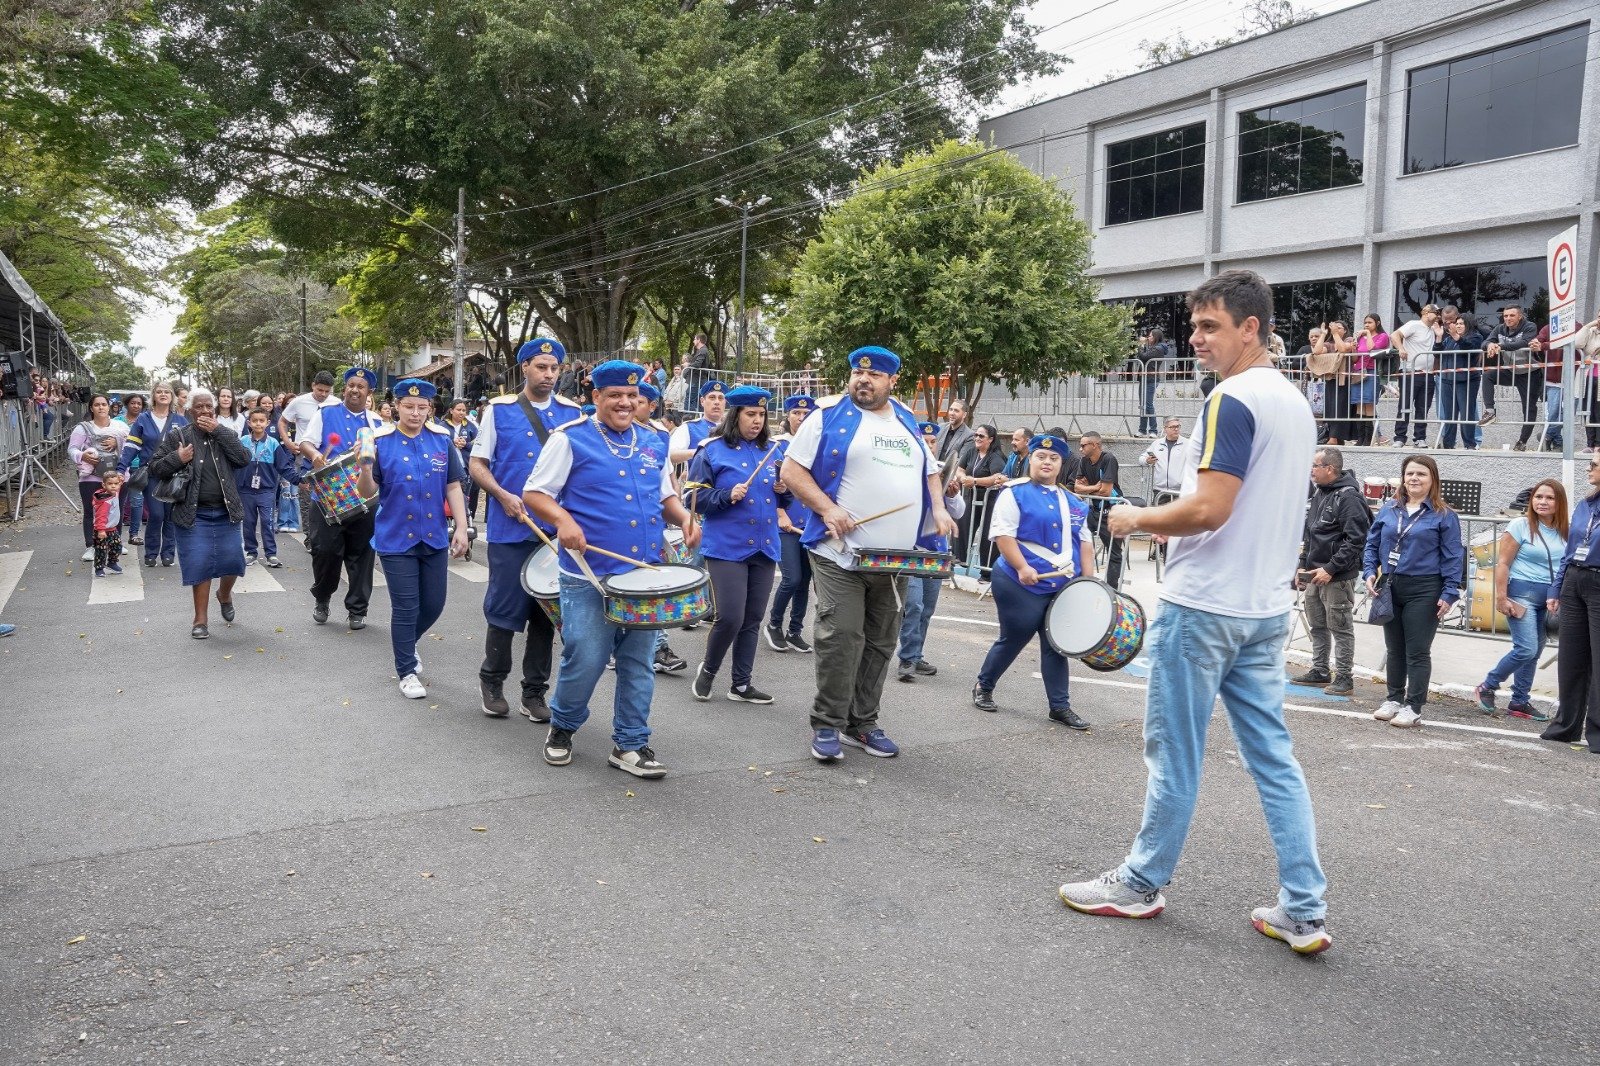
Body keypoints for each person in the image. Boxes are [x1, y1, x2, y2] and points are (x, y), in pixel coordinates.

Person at [1062, 269, 1332, 956]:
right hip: (1264, 609)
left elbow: (1210, 507)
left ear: (1252, 328)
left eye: (1211, 326)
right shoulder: (1297, 404)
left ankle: (1140, 884)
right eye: (1195, 326)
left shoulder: (1232, 399)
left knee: (1173, 756)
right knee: (1274, 760)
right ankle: (1303, 909)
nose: (1197, 338)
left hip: (1206, 606)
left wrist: (1133, 518)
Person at [522, 359, 701, 778]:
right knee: (585, 656)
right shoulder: (570, 439)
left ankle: (630, 743)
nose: (625, 403)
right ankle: (563, 727)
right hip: (588, 574)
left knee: (638, 660)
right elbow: (535, 493)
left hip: (644, 574)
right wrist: (564, 521)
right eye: (615, 395)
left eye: (632, 396)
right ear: (595, 397)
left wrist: (685, 519)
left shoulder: (654, 442)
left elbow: (664, 499)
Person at [780, 345, 958, 762]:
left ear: (892, 380)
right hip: (839, 551)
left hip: (895, 558)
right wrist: (827, 508)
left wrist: (937, 508)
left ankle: (862, 723)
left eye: (875, 375)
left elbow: (931, 470)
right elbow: (791, 471)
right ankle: (828, 724)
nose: (865, 379)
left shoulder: (907, 419)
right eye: (859, 373)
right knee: (841, 635)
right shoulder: (826, 415)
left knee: (881, 641)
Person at [470, 338, 586, 719]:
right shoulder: (499, 411)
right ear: (525, 368)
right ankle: (492, 681)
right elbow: (478, 464)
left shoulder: (573, 413)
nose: (549, 374)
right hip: (511, 527)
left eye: (555, 368)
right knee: (504, 610)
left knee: (546, 614)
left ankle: (534, 692)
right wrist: (502, 495)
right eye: (541, 367)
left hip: (555, 530)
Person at [354, 378, 471, 699]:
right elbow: (366, 492)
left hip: (433, 536)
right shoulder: (379, 441)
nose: (416, 413)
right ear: (396, 408)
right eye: (409, 407)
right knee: (406, 607)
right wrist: (364, 468)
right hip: (395, 538)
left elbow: (453, 486)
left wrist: (461, 528)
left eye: (422, 408)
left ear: (430, 409)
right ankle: (405, 669)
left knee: (434, 604)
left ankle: (406, 643)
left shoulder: (441, 440)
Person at [970, 433, 1094, 725]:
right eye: (1041, 457)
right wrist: (1023, 567)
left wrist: (1089, 582)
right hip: (1018, 581)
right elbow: (1003, 535)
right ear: (1031, 459)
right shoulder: (1014, 492)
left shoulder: (1074, 502)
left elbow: (1085, 542)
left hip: (1061, 584)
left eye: (1054, 458)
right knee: (1015, 637)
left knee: (1055, 644)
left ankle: (1059, 706)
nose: (1047, 462)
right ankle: (984, 686)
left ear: (1061, 464)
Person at [685, 385, 787, 703]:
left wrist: (785, 489)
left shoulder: (773, 450)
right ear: (735, 415)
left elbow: (784, 497)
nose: (757, 421)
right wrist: (726, 495)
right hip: (726, 546)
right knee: (730, 616)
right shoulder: (711, 449)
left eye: (761, 415)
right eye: (750, 414)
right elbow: (691, 498)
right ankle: (709, 671)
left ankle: (741, 684)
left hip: (765, 545)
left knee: (753, 618)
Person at [1361, 455, 1464, 728]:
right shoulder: (1389, 509)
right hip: (1391, 584)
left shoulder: (1444, 515)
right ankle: (1393, 698)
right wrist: (1370, 571)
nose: (1414, 479)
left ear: (1433, 480)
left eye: (1421, 474)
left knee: (1417, 650)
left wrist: (1450, 592)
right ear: (1403, 478)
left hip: (1425, 587)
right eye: (1410, 474)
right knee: (1394, 648)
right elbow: (1371, 544)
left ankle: (1413, 705)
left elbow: (1454, 557)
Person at [148, 388, 252, 639]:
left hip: (226, 512)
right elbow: (155, 468)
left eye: (209, 407)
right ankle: (200, 619)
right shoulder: (179, 436)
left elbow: (243, 458)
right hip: (193, 514)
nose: (205, 411)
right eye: (200, 407)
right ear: (190, 411)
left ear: (215, 410)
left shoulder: (225, 433)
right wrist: (178, 457)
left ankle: (224, 595)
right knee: (199, 564)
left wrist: (217, 430)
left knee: (233, 562)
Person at [298, 367, 383, 630]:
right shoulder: (326, 413)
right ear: (344, 389)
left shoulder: (377, 423)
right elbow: (306, 443)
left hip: (365, 499)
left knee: (362, 554)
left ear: (369, 392)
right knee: (324, 551)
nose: (355, 390)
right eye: (351, 385)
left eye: (361, 386)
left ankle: (357, 610)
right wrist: (315, 455)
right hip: (327, 499)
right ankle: (322, 598)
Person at [1475, 479, 1566, 720]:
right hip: (1521, 593)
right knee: (1526, 648)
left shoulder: (1565, 529)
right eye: (1538, 497)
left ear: (1560, 503)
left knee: (1535, 652)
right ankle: (1488, 685)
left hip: (1549, 598)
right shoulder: (1520, 525)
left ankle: (1519, 701)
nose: (1542, 502)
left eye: (1549, 498)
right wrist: (1501, 597)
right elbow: (1503, 563)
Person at [1291, 446, 1371, 696]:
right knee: (1317, 624)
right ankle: (1320, 670)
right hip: (1316, 573)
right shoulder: (1320, 494)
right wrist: (1303, 564)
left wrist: (1331, 568)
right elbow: (1311, 533)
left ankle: (1345, 676)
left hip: (1336, 577)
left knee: (1340, 626)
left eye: (1315, 466)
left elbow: (1356, 540)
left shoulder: (1348, 497)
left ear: (1330, 469)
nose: (1311, 470)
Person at [1548, 457, 1600, 752]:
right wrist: (1557, 587)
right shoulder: (1585, 504)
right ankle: (1565, 726)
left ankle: (1597, 731)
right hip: (1574, 581)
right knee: (1571, 657)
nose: (1588, 468)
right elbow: (1569, 552)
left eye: (1594, 464)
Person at [766, 395, 817, 653]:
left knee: (805, 579)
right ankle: (774, 624)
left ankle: (795, 630)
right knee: (791, 577)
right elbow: (769, 485)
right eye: (796, 412)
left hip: (810, 523)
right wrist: (779, 513)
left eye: (806, 413)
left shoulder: (817, 446)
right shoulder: (777, 446)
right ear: (787, 416)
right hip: (785, 522)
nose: (801, 417)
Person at [119, 381, 188, 567]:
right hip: (152, 473)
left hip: (175, 475)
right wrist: (120, 468)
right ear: (153, 396)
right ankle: (151, 552)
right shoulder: (143, 419)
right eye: (159, 392)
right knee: (156, 515)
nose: (163, 394)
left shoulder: (181, 421)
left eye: (167, 392)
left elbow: (191, 447)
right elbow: (131, 445)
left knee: (171, 516)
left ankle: (168, 553)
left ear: (172, 396)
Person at [68, 394, 130, 562]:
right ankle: (91, 545)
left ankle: (115, 542)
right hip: (91, 477)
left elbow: (131, 448)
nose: (101, 407)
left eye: (104, 404)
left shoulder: (120, 427)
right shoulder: (82, 428)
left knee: (117, 509)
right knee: (91, 511)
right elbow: (72, 449)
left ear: (109, 407)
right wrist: (83, 456)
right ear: (91, 408)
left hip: (117, 476)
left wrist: (117, 442)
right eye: (97, 405)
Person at [236, 407, 299, 568]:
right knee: (248, 522)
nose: (258, 424)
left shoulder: (273, 443)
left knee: (267, 521)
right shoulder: (243, 442)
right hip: (245, 490)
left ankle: (271, 554)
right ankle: (251, 552)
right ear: (249, 423)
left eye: (261, 421)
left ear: (268, 423)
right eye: (254, 420)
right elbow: (233, 463)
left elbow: (284, 466)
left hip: (266, 490)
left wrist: (299, 480)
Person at [1481, 306, 1539, 443]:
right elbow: (1485, 342)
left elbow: (1523, 343)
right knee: (1488, 375)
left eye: (1512, 315)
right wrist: (1489, 345)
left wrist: (1500, 346)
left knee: (1529, 408)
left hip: (1530, 372)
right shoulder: (1500, 328)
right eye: (1505, 316)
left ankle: (1522, 441)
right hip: (1510, 370)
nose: (1508, 318)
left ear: (1520, 316)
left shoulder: (1530, 326)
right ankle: (1490, 411)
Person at [1073, 431, 1124, 589]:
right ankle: (1080, 583)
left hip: (1112, 511)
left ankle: (1112, 590)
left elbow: (1106, 491)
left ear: (1095, 445)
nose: (1080, 449)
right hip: (1094, 510)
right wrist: (1095, 487)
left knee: (1114, 554)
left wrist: (1087, 489)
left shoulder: (1108, 459)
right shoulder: (1084, 461)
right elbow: (1076, 487)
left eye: (1083, 445)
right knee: (1078, 542)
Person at [1391, 305, 1439, 448]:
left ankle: (1420, 437)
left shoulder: (1434, 330)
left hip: (1428, 374)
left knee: (1423, 407)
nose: (1437, 315)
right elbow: (1394, 335)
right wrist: (1401, 348)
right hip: (1410, 372)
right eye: (1435, 312)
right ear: (1425, 313)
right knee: (1405, 405)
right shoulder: (1414, 325)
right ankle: (1399, 437)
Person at [1435, 311, 1485, 449]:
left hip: (1467, 381)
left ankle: (1469, 444)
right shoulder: (1450, 339)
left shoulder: (1476, 337)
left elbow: (1468, 348)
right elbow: (1437, 352)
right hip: (1447, 380)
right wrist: (1439, 337)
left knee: (1466, 414)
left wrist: (1456, 336)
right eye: (1456, 324)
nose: (1458, 326)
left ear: (1468, 324)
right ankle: (1448, 444)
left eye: (1461, 323)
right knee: (1449, 415)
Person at [668, 379, 727, 464]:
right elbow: (670, 454)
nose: (717, 402)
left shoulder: (734, 429)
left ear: (725, 402)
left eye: (721, 398)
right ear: (702, 401)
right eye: (712, 397)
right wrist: (699, 452)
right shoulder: (689, 428)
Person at [1350, 315, 1387, 446]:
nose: (1366, 325)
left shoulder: (1382, 336)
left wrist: (1367, 334)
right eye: (1365, 322)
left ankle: (1368, 438)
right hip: (1359, 372)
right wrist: (1354, 348)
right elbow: (1355, 359)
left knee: (1369, 404)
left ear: (1377, 323)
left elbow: (1373, 349)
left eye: (1369, 322)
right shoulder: (1360, 338)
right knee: (1359, 405)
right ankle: (1360, 438)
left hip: (1372, 372)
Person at [115, 393, 147, 546]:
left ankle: (134, 534)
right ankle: (113, 534)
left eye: (139, 403)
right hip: (120, 465)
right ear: (127, 404)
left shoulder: (146, 421)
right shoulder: (116, 421)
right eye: (133, 403)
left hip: (138, 467)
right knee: (116, 502)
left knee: (137, 501)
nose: (136, 406)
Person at [445, 398, 479, 525]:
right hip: (447, 468)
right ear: (451, 410)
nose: (461, 413)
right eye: (458, 410)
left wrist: (466, 445)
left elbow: (478, 445)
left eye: (464, 410)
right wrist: (451, 443)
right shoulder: (442, 426)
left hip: (466, 468)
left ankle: (464, 520)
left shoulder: (471, 427)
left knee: (465, 496)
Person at [1141, 417, 1189, 501]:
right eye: (1173, 427)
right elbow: (1141, 458)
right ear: (1165, 428)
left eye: (1178, 426)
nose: (1176, 429)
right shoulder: (1157, 444)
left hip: (1180, 492)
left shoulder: (1188, 444)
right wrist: (1147, 460)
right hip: (1160, 492)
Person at [91, 470, 125, 577]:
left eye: (116, 484)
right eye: (110, 484)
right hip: (102, 529)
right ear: (104, 485)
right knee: (101, 550)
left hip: (112, 528)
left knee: (117, 546)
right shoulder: (105, 500)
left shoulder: (115, 493)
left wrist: (121, 480)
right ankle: (99, 568)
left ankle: (112, 562)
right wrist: (101, 530)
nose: (114, 486)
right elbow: (100, 516)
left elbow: (119, 484)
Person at [934, 399, 974, 464]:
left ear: (964, 415)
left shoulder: (970, 436)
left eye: (956, 411)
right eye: (951, 409)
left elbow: (961, 461)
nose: (952, 413)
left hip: (951, 472)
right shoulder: (940, 427)